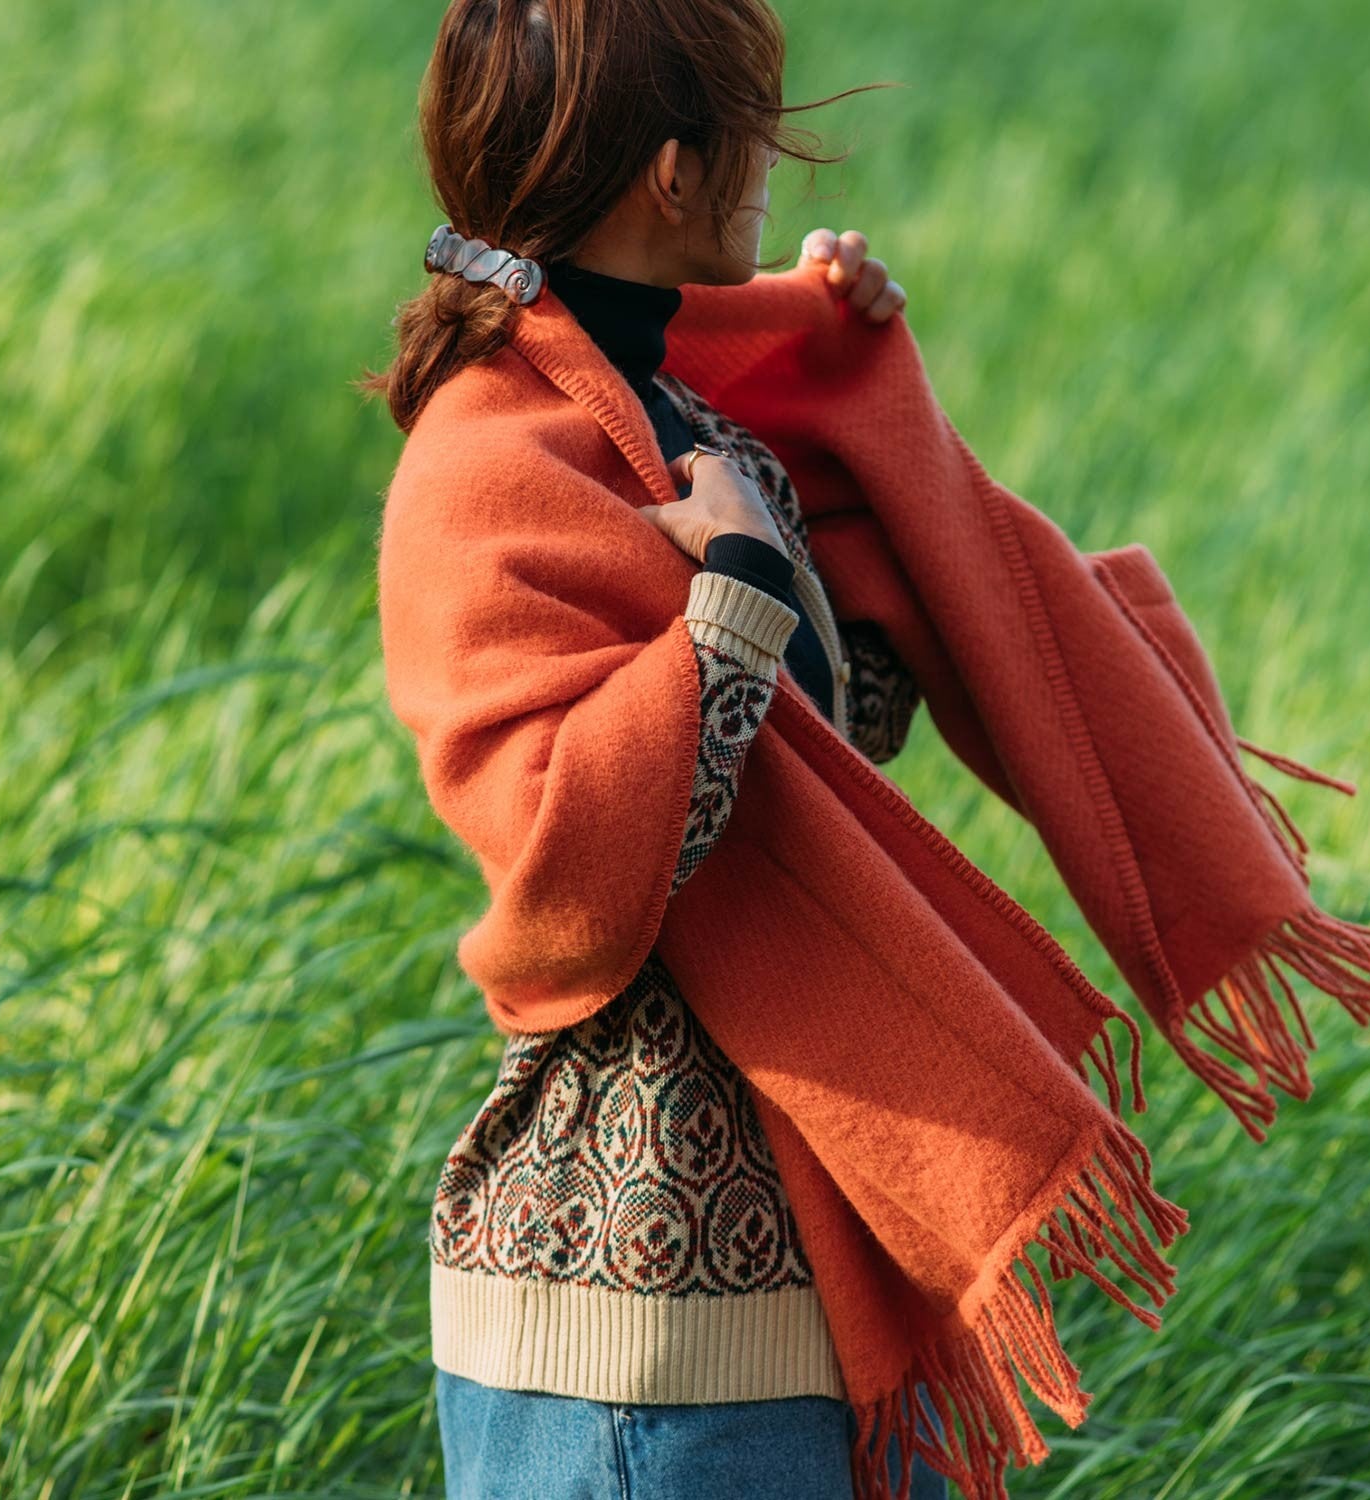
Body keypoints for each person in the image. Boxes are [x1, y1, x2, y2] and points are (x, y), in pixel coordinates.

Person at [361, 1, 955, 1494]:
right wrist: (735, 603)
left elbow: (829, 750)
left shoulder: (678, 419)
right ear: (678, 173)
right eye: (761, 129)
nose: (783, 168)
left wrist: (850, 394)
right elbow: (578, 879)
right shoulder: (490, 466)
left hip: (802, 1262)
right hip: (631, 1333)